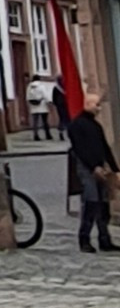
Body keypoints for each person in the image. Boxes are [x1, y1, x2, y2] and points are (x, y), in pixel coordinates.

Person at [66, 93, 118, 254]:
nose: (99, 108)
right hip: (86, 169)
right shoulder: (76, 125)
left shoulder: (95, 126)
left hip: (100, 168)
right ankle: (84, 239)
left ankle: (105, 239)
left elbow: (105, 148)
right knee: (91, 202)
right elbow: (81, 149)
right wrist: (94, 166)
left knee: (103, 204)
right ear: (87, 104)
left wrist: (115, 169)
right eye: (96, 105)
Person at [26, 73, 57, 142]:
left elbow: (27, 97)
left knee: (35, 122)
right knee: (45, 121)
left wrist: (31, 102)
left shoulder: (29, 86)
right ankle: (48, 134)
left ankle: (36, 135)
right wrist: (49, 101)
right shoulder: (41, 86)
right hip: (42, 105)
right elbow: (45, 95)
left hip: (33, 106)